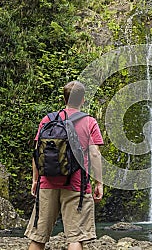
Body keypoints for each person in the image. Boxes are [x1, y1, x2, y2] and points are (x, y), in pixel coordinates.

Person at [24, 80, 104, 250]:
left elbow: (37, 151)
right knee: (75, 238)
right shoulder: (89, 122)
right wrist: (99, 183)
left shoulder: (48, 119)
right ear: (83, 99)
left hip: (47, 182)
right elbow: (95, 154)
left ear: (64, 99)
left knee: (38, 237)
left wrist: (35, 179)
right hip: (76, 185)